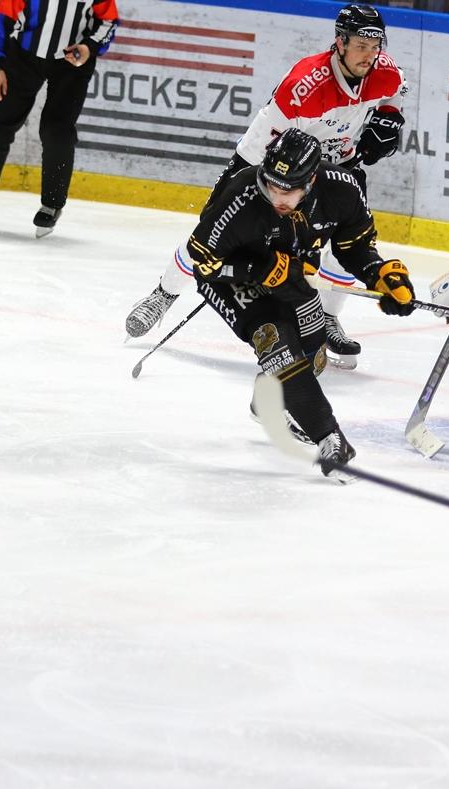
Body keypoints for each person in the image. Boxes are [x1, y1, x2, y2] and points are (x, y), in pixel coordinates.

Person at [124, 3, 407, 370]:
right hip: (275, 166)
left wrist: (389, 117)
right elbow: (268, 148)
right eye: (360, 46)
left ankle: (327, 316)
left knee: (347, 241)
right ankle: (165, 293)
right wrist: (250, 195)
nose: (369, 55)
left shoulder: (384, 71)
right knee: (214, 234)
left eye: (375, 46)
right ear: (340, 42)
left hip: (336, 169)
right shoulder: (304, 86)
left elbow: (396, 90)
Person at [187, 128, 414, 481]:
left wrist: (379, 273)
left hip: (292, 277)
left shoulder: (342, 189)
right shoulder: (242, 193)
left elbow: (355, 246)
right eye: (270, 187)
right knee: (276, 340)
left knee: (312, 354)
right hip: (232, 280)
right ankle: (330, 438)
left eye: (287, 191)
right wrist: (259, 269)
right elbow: (203, 263)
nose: (276, 197)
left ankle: (270, 397)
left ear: (310, 181)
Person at [0, 0, 120, 237]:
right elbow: (2, 18)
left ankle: (52, 204)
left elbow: (109, 19)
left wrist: (89, 47)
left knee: (56, 130)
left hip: (73, 63)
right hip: (22, 57)